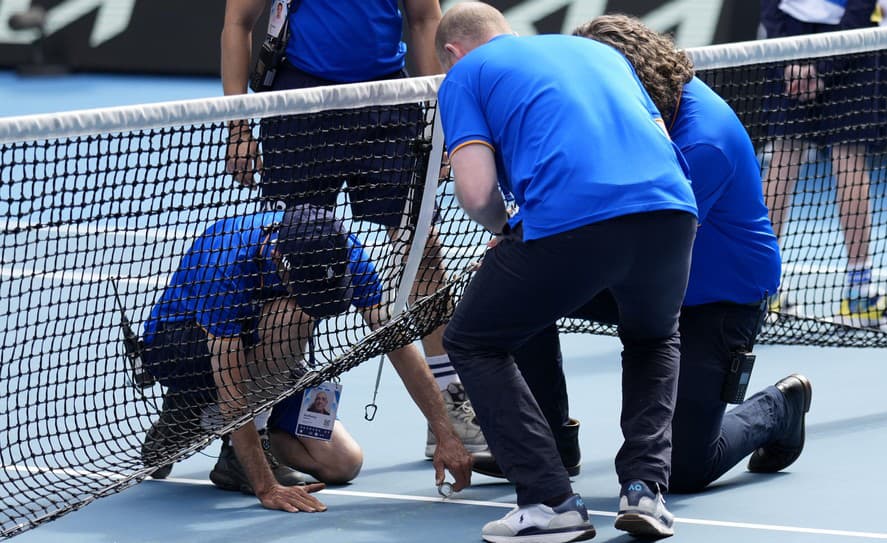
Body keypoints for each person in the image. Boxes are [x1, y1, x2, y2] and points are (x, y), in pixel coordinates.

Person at [473, 15, 815, 497]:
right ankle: (549, 440)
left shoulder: (703, 142)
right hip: (638, 278)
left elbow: (644, 235)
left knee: (685, 469)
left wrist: (539, 245)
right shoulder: (624, 118)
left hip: (715, 301)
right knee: (513, 294)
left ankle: (779, 408)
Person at [435, 3, 699, 540]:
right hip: (673, 210)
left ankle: (549, 501)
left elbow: (477, 192)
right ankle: (646, 491)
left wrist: (507, 228)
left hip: (574, 219)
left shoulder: (464, 74)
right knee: (654, 337)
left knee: (474, 339)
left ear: (452, 52)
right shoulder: (596, 50)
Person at [220, 0, 488, 460]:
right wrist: (238, 125)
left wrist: (438, 116)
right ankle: (255, 427)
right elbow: (238, 23)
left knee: (421, 250)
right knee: (292, 266)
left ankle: (451, 403)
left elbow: (425, 18)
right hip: (300, 104)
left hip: (387, 105)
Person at [140, 204, 472, 512]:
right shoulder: (226, 262)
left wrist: (446, 434)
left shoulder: (345, 252)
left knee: (343, 463)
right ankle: (199, 414)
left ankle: (200, 418)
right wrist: (265, 486)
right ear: (279, 258)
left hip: (269, 362)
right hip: (182, 351)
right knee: (292, 315)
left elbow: (398, 345)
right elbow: (231, 384)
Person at [760, 0, 887, 327]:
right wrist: (822, 66)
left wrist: (788, 57)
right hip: (843, 39)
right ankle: (860, 294)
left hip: (792, 35)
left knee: (786, 156)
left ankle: (760, 288)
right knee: (847, 156)